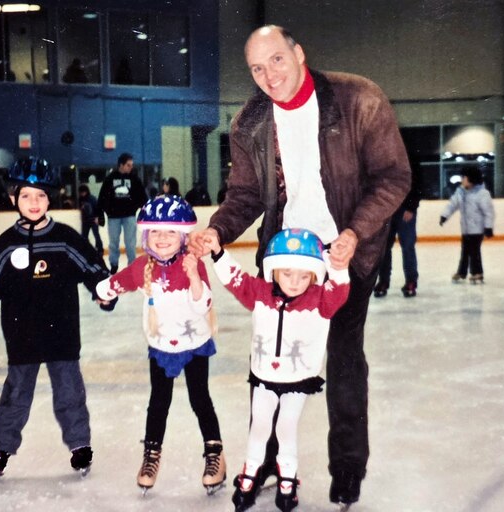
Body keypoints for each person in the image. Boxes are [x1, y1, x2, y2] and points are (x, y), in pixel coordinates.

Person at [188, 25, 410, 507]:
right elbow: (245, 195)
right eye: (256, 68)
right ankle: (263, 461)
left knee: (346, 360)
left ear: (299, 54)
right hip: (283, 262)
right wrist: (217, 231)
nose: (268, 75)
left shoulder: (359, 100)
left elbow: (393, 177)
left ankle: (347, 468)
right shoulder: (250, 121)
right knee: (269, 363)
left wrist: (354, 233)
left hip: (346, 256)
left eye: (277, 61)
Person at [0, 157, 113, 478]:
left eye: (41, 196)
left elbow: (91, 266)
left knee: (70, 391)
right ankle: (1, 448)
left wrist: (103, 290)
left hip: (62, 331)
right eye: (26, 195)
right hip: (22, 333)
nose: (34, 202)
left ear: (50, 198)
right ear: (13, 198)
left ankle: (79, 445)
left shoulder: (64, 237)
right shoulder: (6, 243)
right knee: (16, 394)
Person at [205, 228, 350, 512]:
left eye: (303, 275)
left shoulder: (320, 300)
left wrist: (339, 268)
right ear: (273, 271)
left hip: (297, 380)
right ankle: (250, 473)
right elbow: (236, 279)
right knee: (259, 427)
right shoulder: (260, 293)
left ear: (314, 275)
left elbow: (340, 291)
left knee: (285, 428)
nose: (294, 282)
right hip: (264, 378)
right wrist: (218, 252)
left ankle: (287, 479)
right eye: (287, 274)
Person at [95, 195, 226, 495]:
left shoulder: (192, 264)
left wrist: (194, 276)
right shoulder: (144, 266)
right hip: (161, 344)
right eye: (156, 231)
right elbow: (117, 282)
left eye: (170, 232)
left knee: (200, 399)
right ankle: (151, 455)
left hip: (194, 344)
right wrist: (104, 291)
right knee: (159, 402)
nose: (163, 238)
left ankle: (215, 454)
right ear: (146, 236)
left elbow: (203, 303)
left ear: (182, 237)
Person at [373, 155, 423, 298]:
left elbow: (418, 183)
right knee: (383, 248)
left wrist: (411, 207)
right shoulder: (381, 157)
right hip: (386, 211)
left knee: (407, 246)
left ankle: (411, 281)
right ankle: (383, 281)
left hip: (405, 210)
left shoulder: (409, 156)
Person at [439, 166, 494, 284]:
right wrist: (444, 216)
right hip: (466, 228)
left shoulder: (482, 194)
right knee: (465, 251)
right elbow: (452, 205)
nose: (462, 180)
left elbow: (488, 212)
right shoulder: (461, 192)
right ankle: (462, 272)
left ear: (471, 179)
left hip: (477, 229)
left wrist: (488, 227)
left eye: (464, 177)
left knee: (474, 252)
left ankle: (477, 273)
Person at [99, 153, 148, 274]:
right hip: (113, 217)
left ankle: (132, 266)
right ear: (121, 165)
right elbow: (103, 197)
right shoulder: (110, 178)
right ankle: (114, 264)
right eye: (128, 165)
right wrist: (104, 212)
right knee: (113, 242)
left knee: (130, 243)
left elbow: (142, 197)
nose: (131, 167)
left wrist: (144, 209)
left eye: (131, 165)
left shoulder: (134, 179)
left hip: (129, 216)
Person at [78, 184, 107, 267]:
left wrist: (98, 218)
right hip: (85, 221)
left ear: (86, 191)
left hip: (93, 220)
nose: (82, 194)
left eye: (83, 192)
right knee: (84, 236)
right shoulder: (81, 199)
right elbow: (82, 209)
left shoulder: (92, 198)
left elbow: (98, 208)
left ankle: (100, 250)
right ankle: (86, 250)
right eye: (81, 192)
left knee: (96, 235)